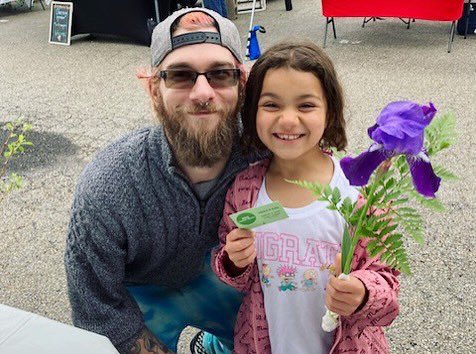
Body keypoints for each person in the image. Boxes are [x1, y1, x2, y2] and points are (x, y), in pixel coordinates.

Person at [65, 8, 253, 354]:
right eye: (181, 75)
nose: (202, 92)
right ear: (153, 89)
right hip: (144, 296)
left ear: (242, 84)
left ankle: (215, 345)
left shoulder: (268, 160)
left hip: (230, 282)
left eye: (220, 74)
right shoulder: (108, 183)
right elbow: (98, 312)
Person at [212, 41, 400, 353]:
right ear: (251, 112)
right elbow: (235, 278)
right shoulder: (244, 190)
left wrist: (363, 294)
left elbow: (388, 288)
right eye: (271, 105)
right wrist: (233, 262)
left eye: (306, 105)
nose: (287, 120)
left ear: (330, 111)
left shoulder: (359, 191)